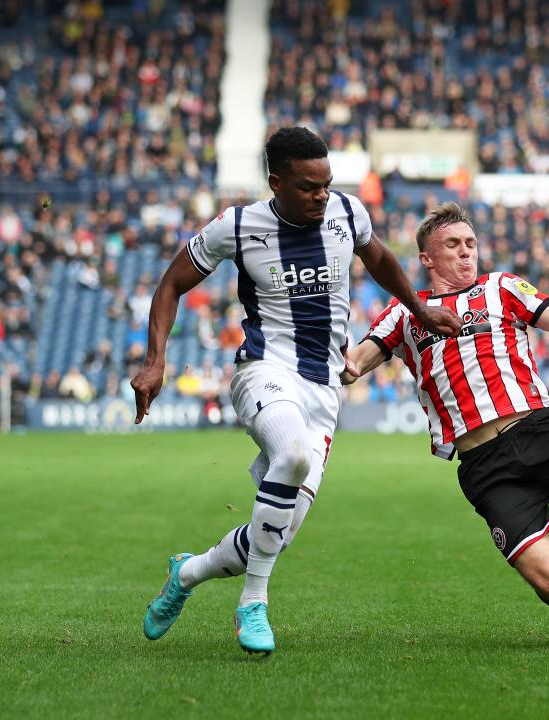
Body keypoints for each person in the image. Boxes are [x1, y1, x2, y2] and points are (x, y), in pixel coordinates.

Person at [131, 127, 460, 655]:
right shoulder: (236, 226)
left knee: (274, 532)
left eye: (326, 184)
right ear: (275, 182)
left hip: (323, 386)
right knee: (293, 454)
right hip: (264, 370)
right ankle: (252, 604)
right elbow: (171, 283)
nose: (321, 196)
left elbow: (378, 259)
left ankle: (186, 574)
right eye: (309, 187)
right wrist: (155, 360)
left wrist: (419, 309)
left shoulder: (347, 214)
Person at [342, 203, 549, 646]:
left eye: (470, 244)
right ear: (426, 258)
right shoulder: (406, 312)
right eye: (452, 245)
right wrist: (332, 358)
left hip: (542, 433)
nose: (466, 253)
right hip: (485, 466)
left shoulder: (501, 287)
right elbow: (355, 365)